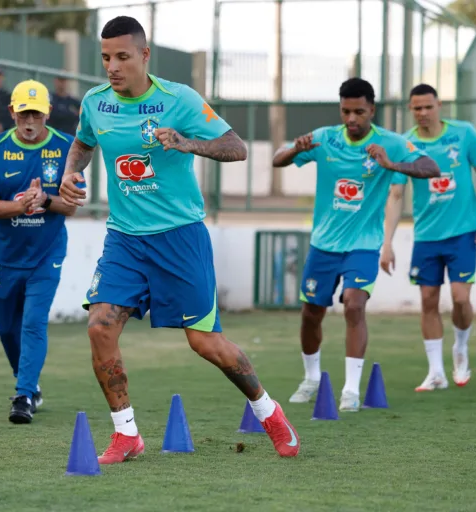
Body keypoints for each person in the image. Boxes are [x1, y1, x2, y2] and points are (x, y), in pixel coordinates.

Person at [59, 15, 301, 463]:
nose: (112, 66)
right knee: (99, 327)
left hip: (180, 238)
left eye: (123, 57)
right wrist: (72, 172)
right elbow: (83, 143)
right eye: (106, 57)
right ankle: (126, 434)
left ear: (144, 55)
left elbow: (237, 147)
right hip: (125, 239)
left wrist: (190, 143)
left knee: (205, 343)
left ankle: (269, 413)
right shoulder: (95, 102)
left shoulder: (179, 99)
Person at [272, 78, 440, 412]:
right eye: (346, 111)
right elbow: (278, 160)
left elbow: (430, 167)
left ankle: (350, 389)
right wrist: (296, 149)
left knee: (354, 304)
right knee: (310, 314)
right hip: (323, 246)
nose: (352, 118)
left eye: (359, 112)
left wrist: (392, 166)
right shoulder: (324, 138)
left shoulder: (389, 142)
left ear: (372, 110)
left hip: (363, 246)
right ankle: (312, 378)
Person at [0, 79, 80, 424]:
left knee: (34, 322)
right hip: (4, 255)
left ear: (48, 112)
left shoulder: (67, 148)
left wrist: (45, 200)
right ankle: (30, 385)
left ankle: (23, 395)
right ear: (12, 113)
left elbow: (71, 207)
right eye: (23, 114)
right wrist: (20, 207)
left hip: (46, 254)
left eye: (36, 113)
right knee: (7, 329)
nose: (30, 121)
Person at [380, 83, 476, 391]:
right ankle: (436, 372)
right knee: (428, 301)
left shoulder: (464, 133)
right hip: (426, 237)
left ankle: (460, 348)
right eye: (417, 108)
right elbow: (395, 194)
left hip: (462, 233)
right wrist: (387, 242)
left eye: (428, 107)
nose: (423, 113)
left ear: (439, 105)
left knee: (460, 298)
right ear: (410, 109)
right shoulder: (405, 144)